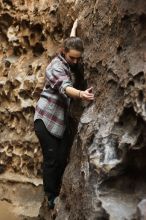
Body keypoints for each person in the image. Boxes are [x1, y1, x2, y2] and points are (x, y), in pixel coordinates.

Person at [34, 20, 94, 209]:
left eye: (78, 58)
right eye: (72, 58)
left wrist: (74, 30)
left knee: (61, 158)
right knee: (52, 160)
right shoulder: (55, 67)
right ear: (63, 52)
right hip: (45, 120)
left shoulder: (68, 58)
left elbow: (70, 43)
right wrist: (81, 94)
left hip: (57, 122)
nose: (75, 62)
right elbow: (64, 87)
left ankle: (56, 191)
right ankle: (51, 197)